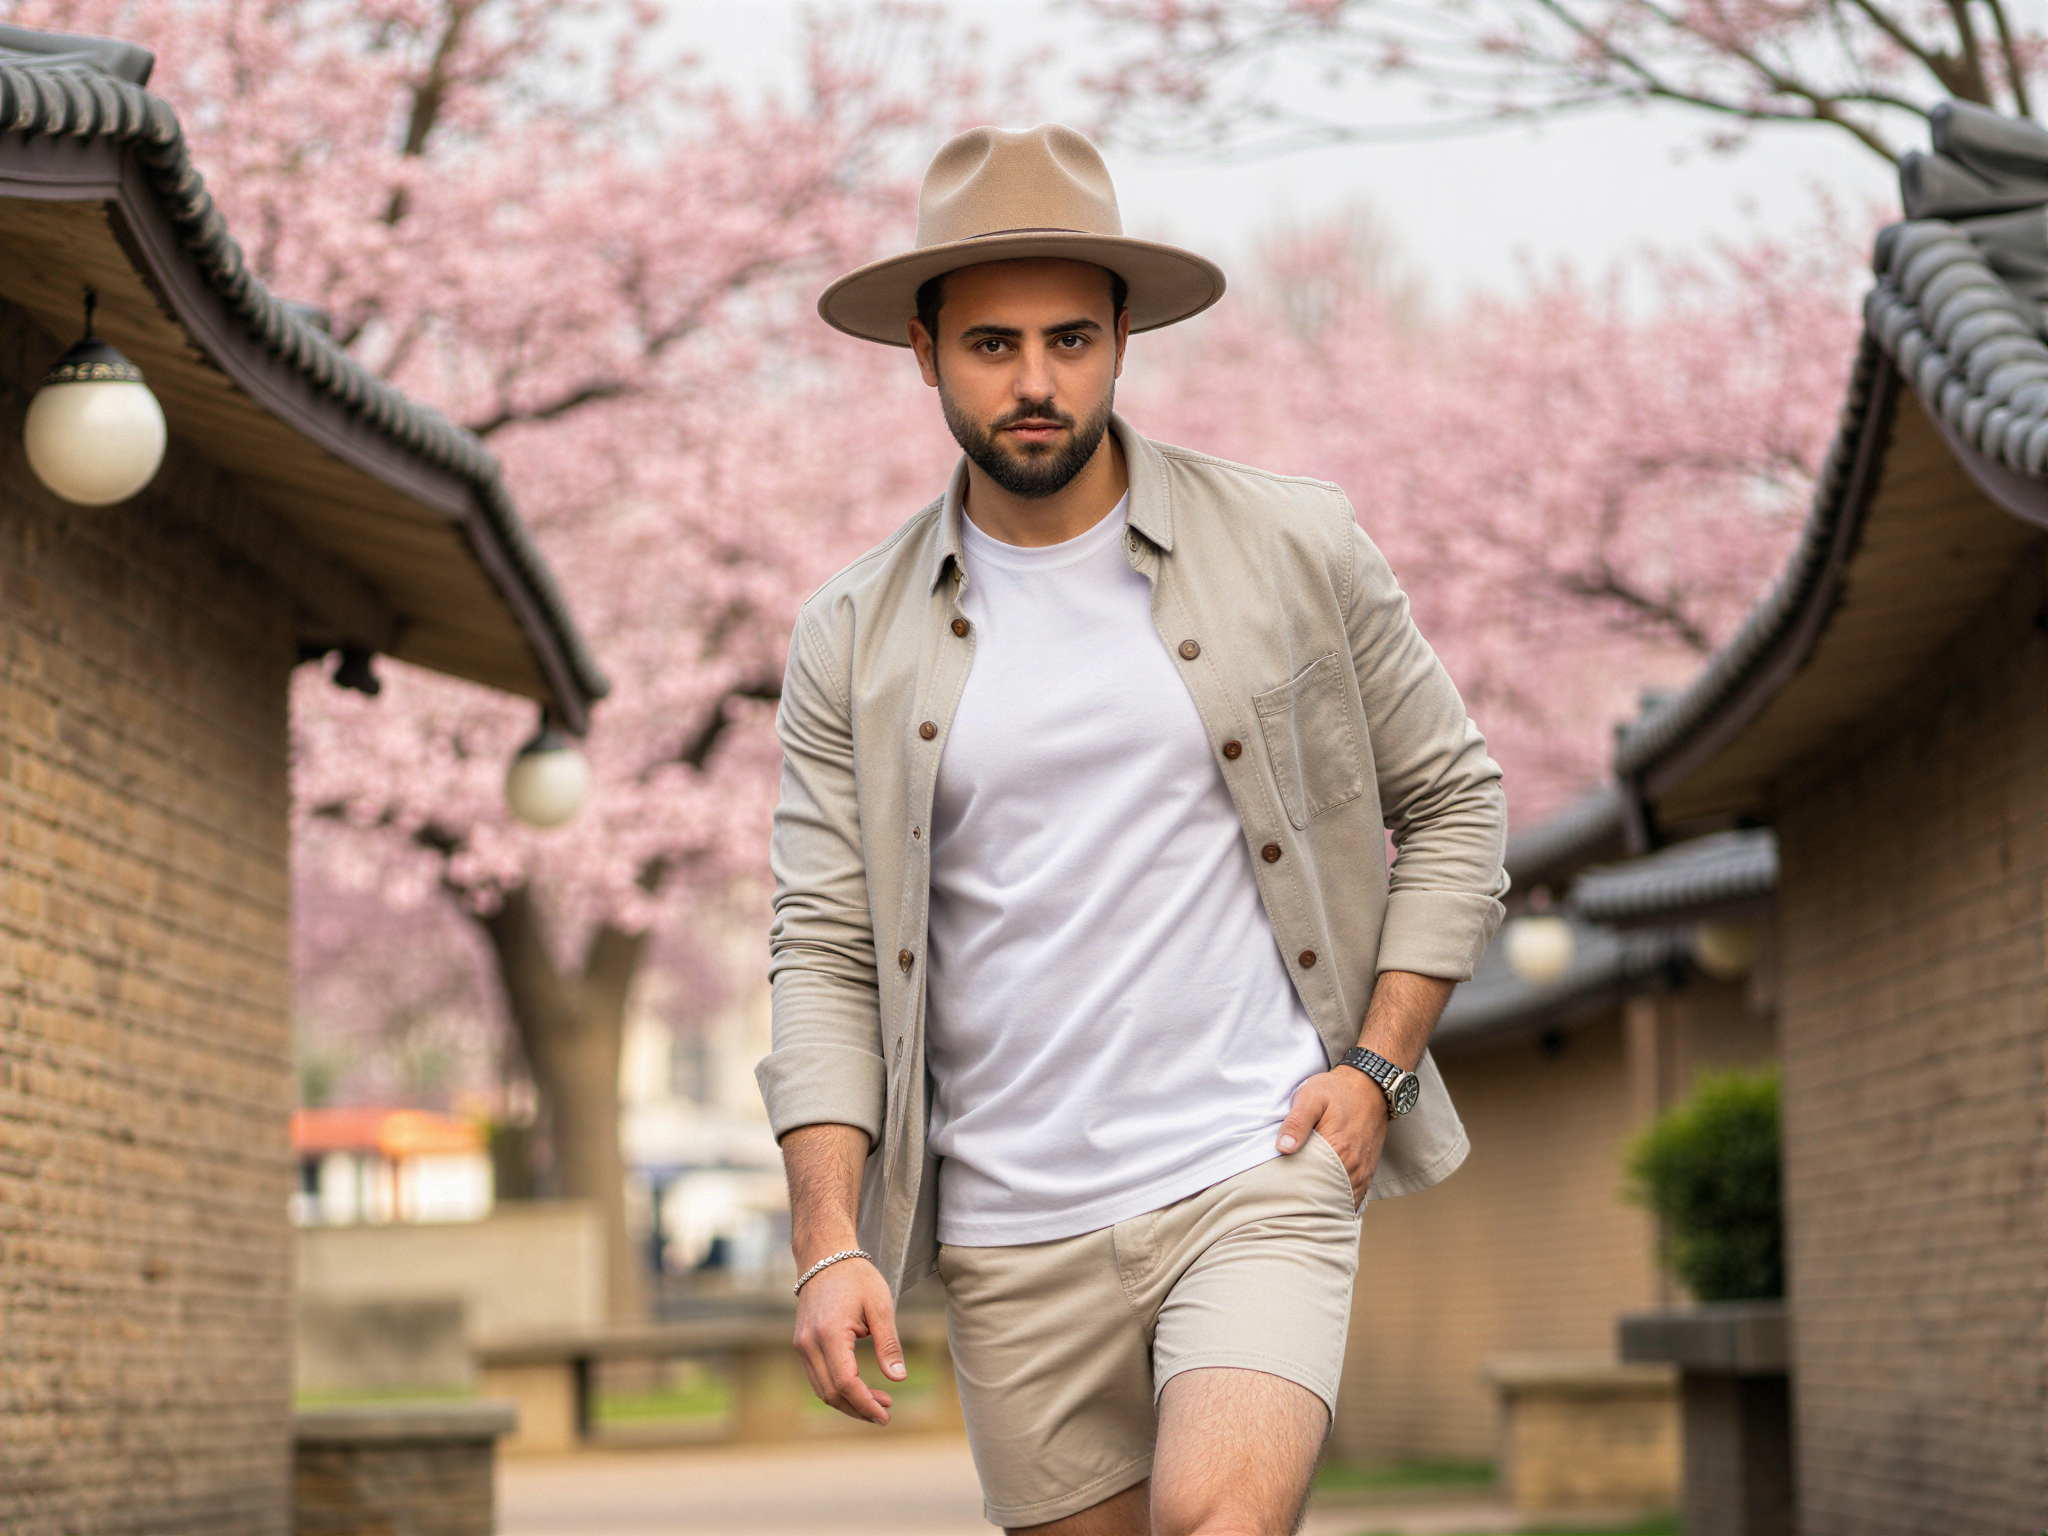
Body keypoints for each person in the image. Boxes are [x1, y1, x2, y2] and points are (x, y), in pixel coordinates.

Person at [757, 123, 1508, 1536]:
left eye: (1069, 338)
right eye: (990, 346)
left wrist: (1377, 1064)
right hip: (1008, 1232)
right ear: (923, 350)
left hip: (1252, 1166)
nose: (1035, 383)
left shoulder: (1296, 546)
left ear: (1122, 337)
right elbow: (825, 947)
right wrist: (827, 1239)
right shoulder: (851, 638)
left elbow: (1458, 801)